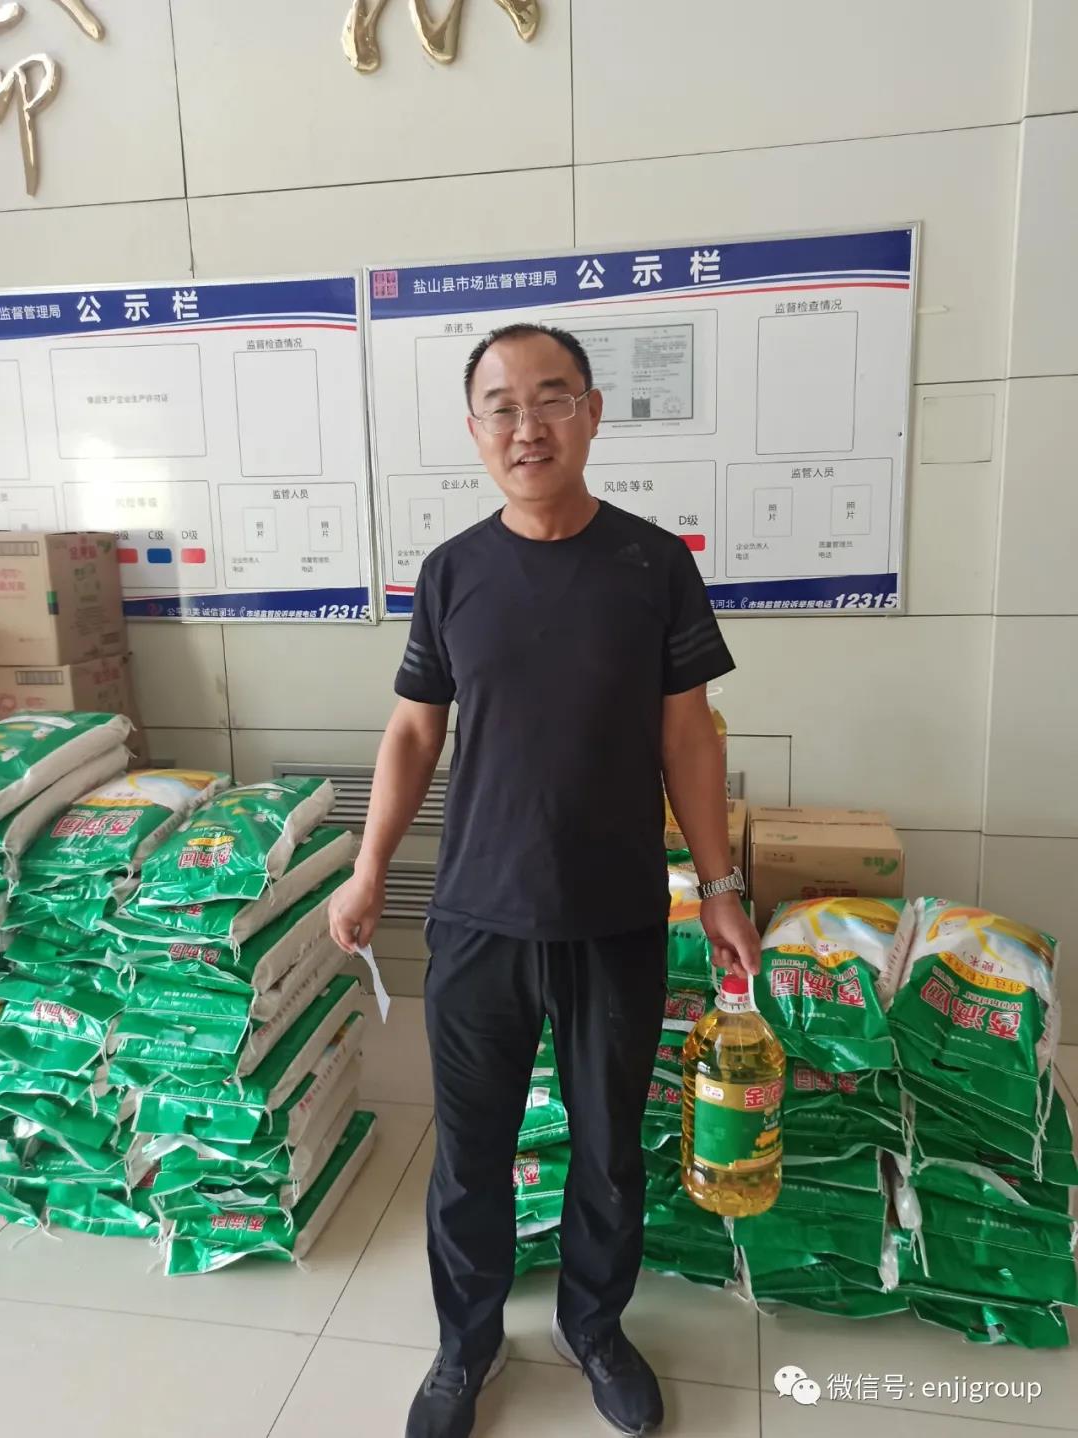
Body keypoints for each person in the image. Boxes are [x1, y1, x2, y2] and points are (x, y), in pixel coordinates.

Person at [329, 323, 761, 1438]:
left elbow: (689, 735)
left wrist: (720, 886)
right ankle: (464, 1347)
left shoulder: (653, 565)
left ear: (593, 412)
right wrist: (369, 867)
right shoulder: (452, 573)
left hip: (615, 915)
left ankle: (595, 1327)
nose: (529, 427)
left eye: (553, 398)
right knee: (469, 1156)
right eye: (504, 406)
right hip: (478, 917)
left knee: (610, 1150)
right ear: (476, 429)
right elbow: (413, 733)